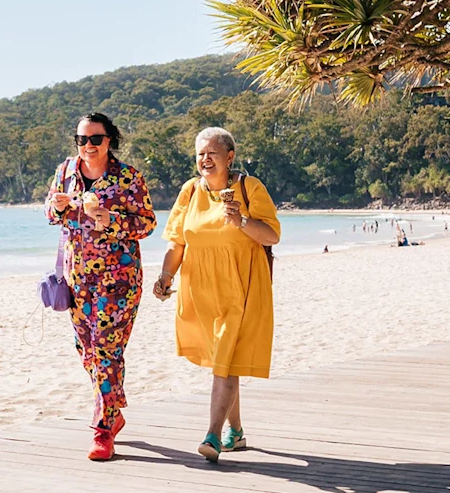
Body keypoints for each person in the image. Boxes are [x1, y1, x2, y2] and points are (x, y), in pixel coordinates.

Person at [153, 127, 279, 462]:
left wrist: (240, 221)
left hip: (242, 287)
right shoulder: (191, 191)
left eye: (212, 153)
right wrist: (165, 277)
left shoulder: (249, 188)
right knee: (227, 361)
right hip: (201, 290)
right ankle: (235, 431)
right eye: (200, 154)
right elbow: (177, 241)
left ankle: (212, 434)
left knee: (224, 361)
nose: (205, 159)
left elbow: (271, 236)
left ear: (229, 156)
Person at [45, 112, 155, 461]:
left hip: (118, 281)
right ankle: (114, 407)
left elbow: (148, 223)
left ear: (110, 140)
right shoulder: (66, 172)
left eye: (96, 139)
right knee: (87, 350)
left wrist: (111, 220)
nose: (88, 146)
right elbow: (50, 213)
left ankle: (103, 430)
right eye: (82, 139)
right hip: (77, 280)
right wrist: (58, 207)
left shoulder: (127, 178)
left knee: (107, 351)